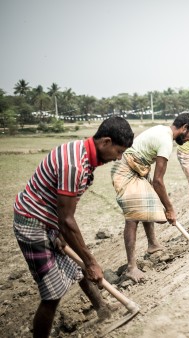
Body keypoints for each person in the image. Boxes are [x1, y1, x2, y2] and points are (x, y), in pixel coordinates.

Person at [13, 116, 134, 338]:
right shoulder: (75, 164)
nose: (119, 158)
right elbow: (67, 218)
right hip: (32, 221)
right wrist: (92, 261)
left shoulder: (85, 156)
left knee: (77, 265)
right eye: (118, 152)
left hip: (51, 219)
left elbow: (66, 211)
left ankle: (104, 309)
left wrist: (62, 234)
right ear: (105, 142)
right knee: (52, 293)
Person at [110, 113, 189, 283]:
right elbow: (158, 181)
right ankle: (131, 268)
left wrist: (166, 206)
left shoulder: (162, 130)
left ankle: (153, 245)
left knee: (148, 204)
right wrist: (170, 208)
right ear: (185, 128)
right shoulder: (166, 142)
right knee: (133, 216)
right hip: (125, 169)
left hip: (138, 169)